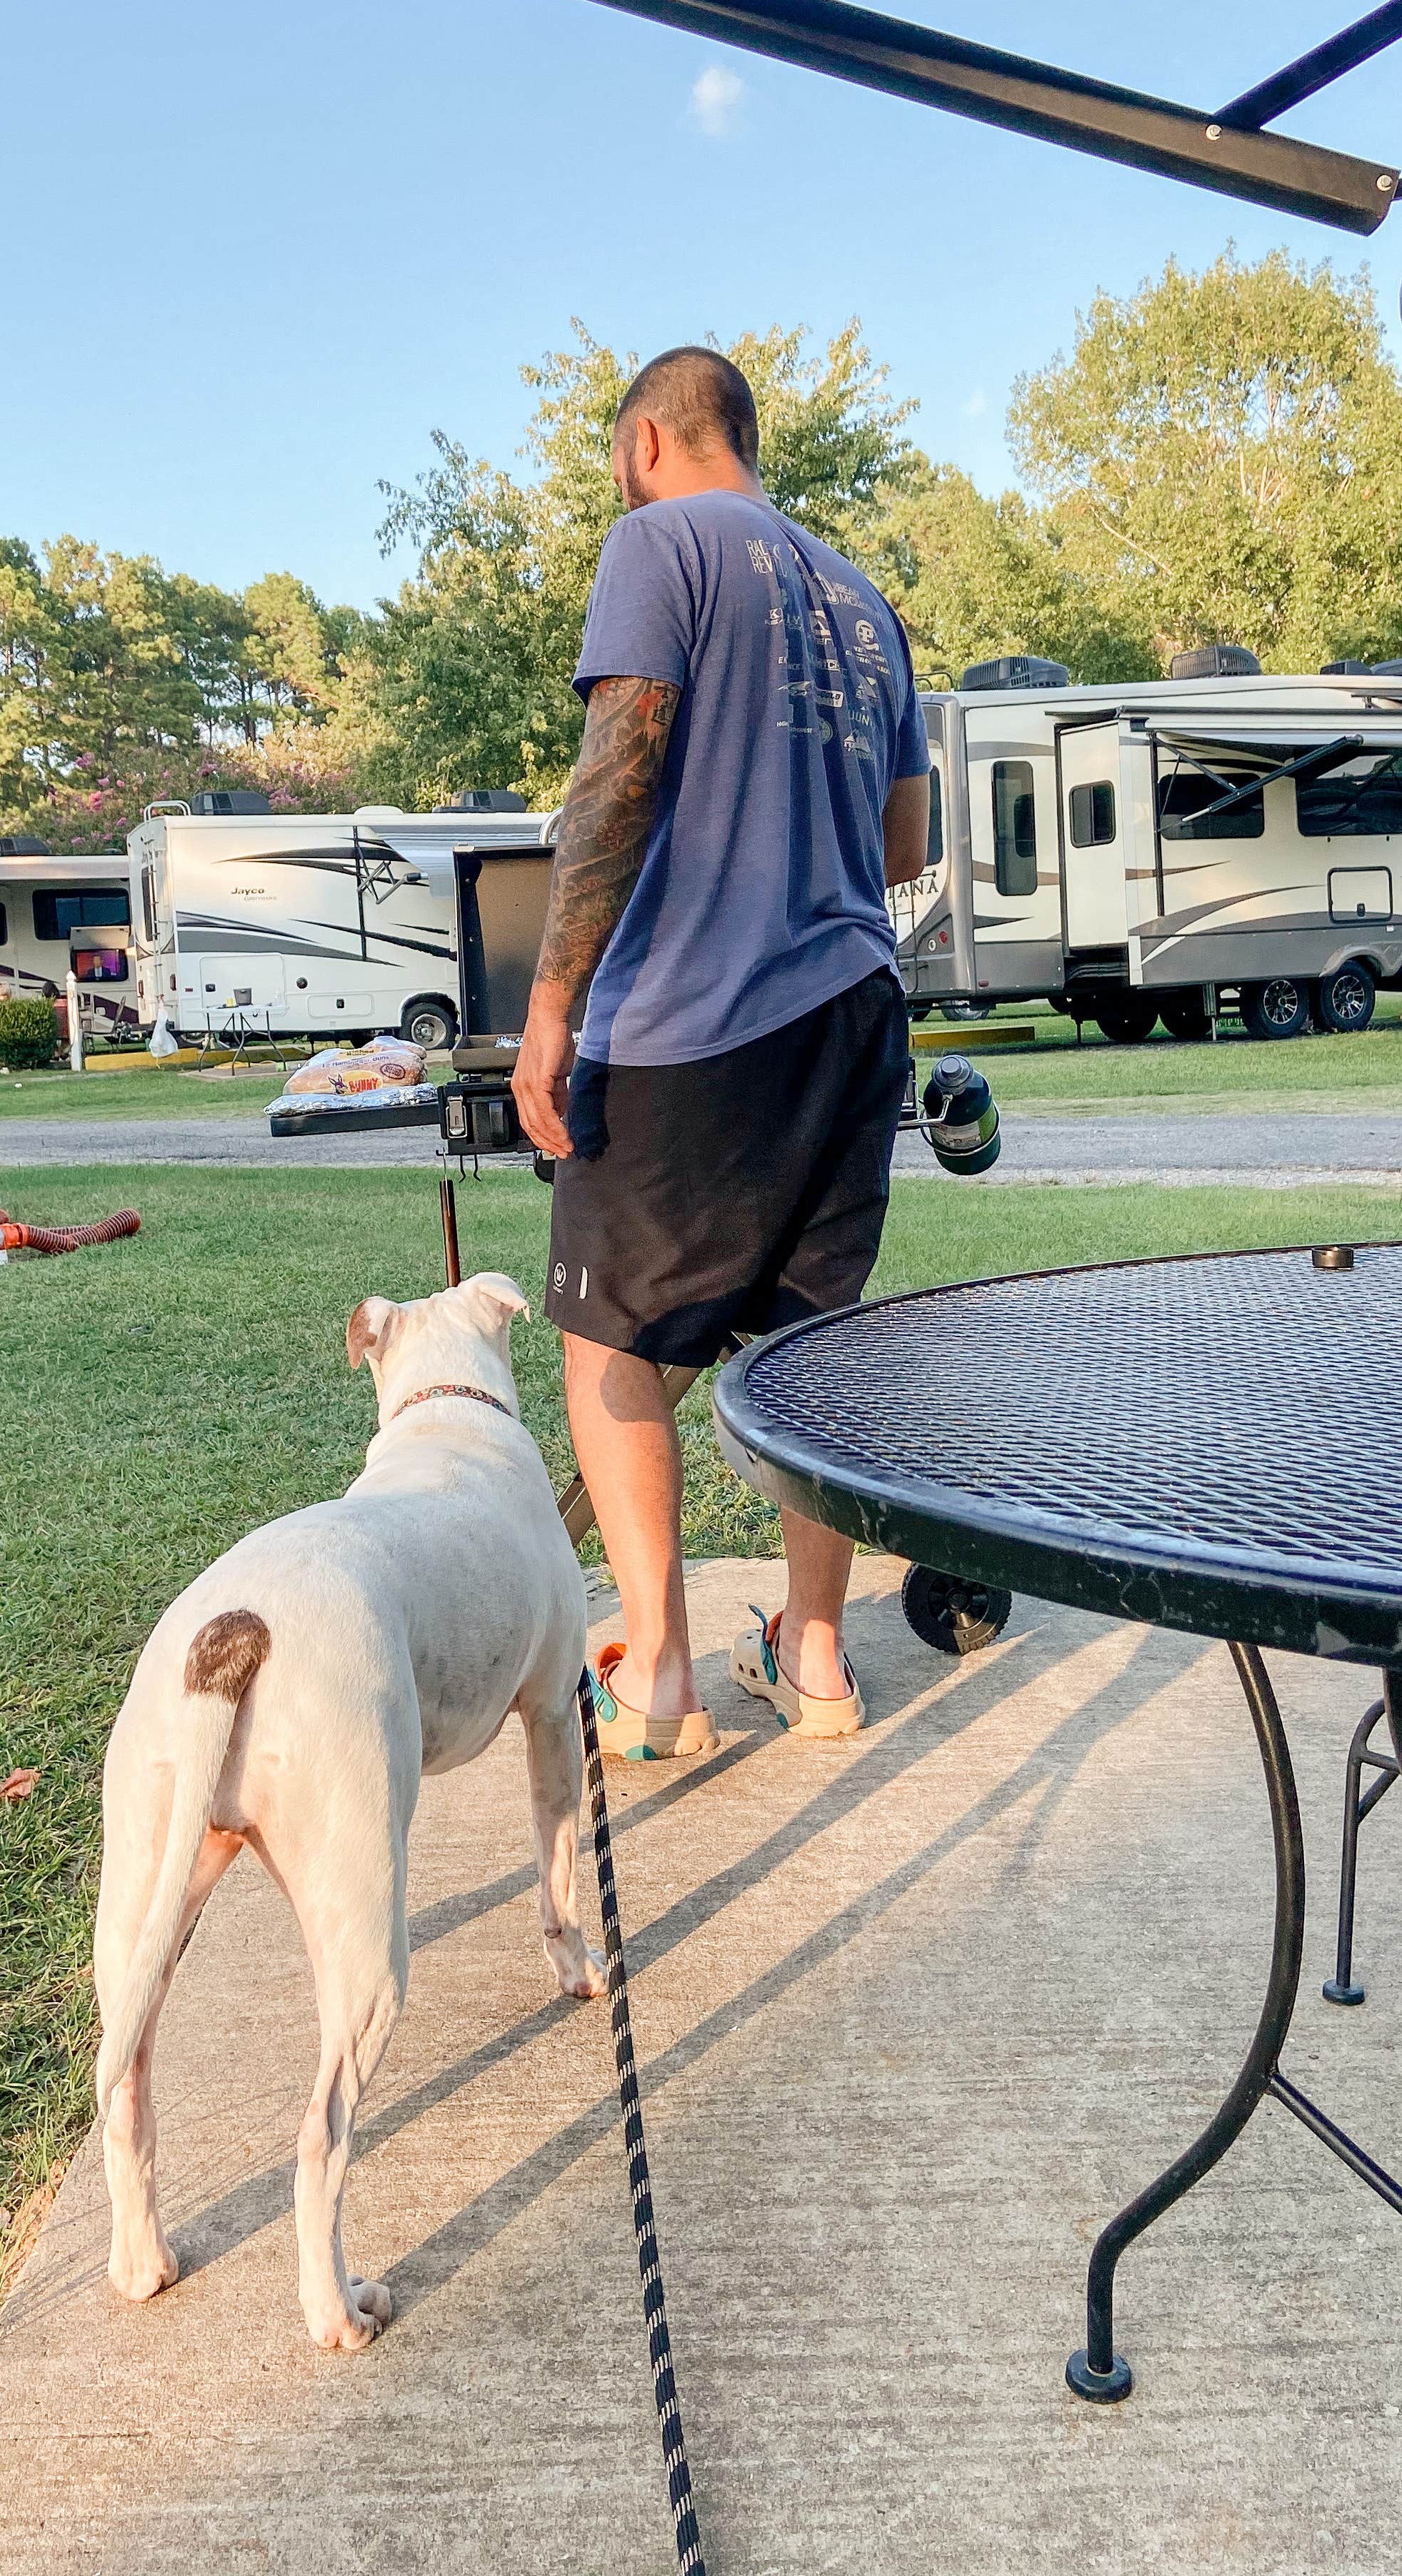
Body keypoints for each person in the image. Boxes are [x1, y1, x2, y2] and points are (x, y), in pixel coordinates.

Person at [511, 346, 932, 1761]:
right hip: (854, 1008)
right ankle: (814, 1660)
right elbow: (905, 847)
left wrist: (554, 1006)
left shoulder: (659, 544)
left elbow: (617, 775)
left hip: (694, 1016)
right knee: (811, 1354)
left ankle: (659, 1679)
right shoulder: (867, 603)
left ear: (648, 441)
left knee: (611, 1342)